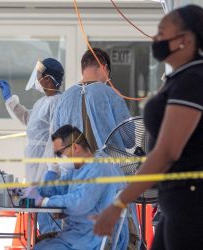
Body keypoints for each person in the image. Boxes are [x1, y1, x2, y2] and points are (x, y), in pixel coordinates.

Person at [93, 5, 203, 250]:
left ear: (184, 40)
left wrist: (119, 204)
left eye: (162, 33)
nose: (156, 39)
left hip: (191, 203)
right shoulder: (179, 78)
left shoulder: (192, 80)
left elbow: (166, 152)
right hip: (173, 201)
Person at [24, 125, 129, 250]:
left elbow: (80, 202)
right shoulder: (79, 170)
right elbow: (55, 190)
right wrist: (48, 175)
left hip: (94, 238)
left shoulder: (99, 167)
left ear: (74, 147)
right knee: (39, 245)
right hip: (78, 235)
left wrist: (45, 202)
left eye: (59, 153)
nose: (57, 158)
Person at [0, 58, 64, 234]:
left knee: (48, 219)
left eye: (40, 75)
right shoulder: (42, 102)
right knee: (40, 217)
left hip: (46, 169)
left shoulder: (57, 103)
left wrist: (53, 169)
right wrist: (10, 100)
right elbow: (29, 120)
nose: (37, 79)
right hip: (36, 168)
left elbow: (56, 138)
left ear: (48, 79)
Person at [53, 48, 131, 153]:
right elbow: (129, 139)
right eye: (108, 75)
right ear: (105, 67)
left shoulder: (64, 98)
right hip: (108, 167)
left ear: (82, 70)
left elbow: (56, 138)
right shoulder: (112, 94)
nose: (108, 79)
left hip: (74, 167)